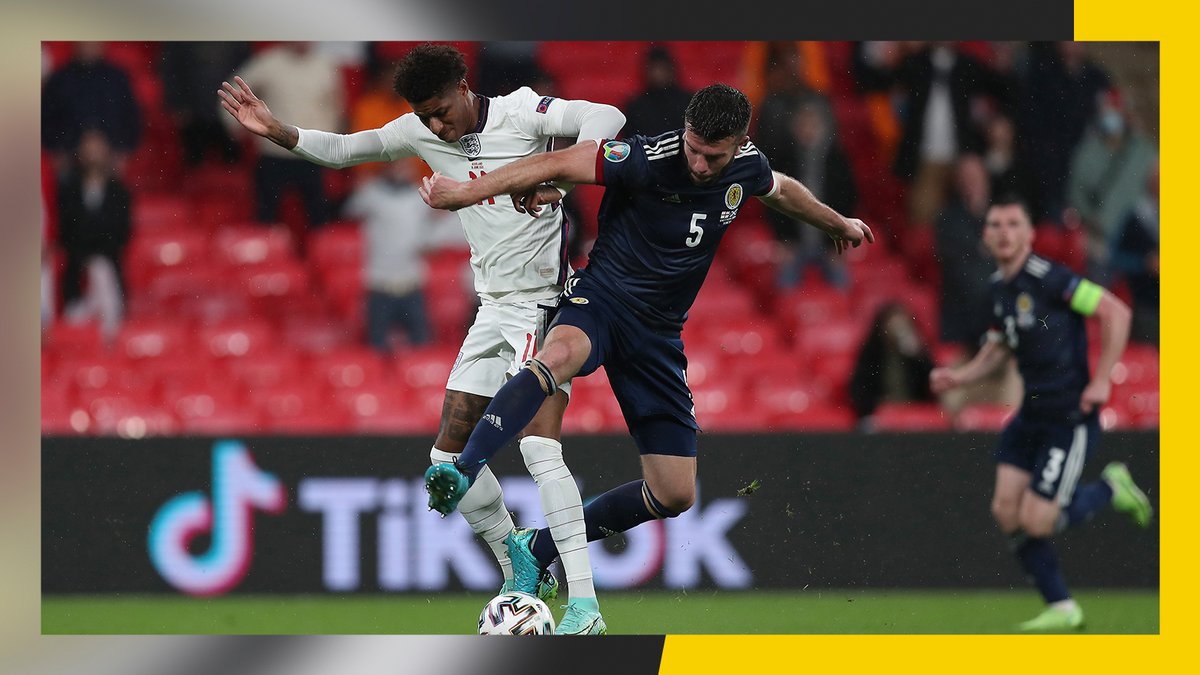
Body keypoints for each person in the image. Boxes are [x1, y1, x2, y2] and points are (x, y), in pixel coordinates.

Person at [419, 83, 872, 635]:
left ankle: (536, 547)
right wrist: (466, 194)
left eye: (715, 155)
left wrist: (836, 223)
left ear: (739, 145)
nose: (702, 164)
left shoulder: (745, 167)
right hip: (602, 301)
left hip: (658, 337)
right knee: (556, 356)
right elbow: (558, 160)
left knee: (674, 492)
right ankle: (461, 469)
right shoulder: (642, 158)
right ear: (684, 131)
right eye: (695, 148)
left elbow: (780, 190)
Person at [219, 43, 625, 634]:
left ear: (464, 86)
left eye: (441, 110)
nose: (436, 126)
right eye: (425, 116)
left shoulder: (522, 113)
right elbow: (341, 151)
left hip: (546, 306)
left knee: (540, 451)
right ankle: (518, 561)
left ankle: (585, 607)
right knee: (445, 461)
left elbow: (606, 118)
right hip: (491, 311)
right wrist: (276, 130)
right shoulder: (418, 130)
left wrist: (556, 172)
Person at [929, 198, 1152, 631]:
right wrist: (962, 377)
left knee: (1037, 519)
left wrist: (1102, 379)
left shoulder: (1051, 278)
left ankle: (1110, 487)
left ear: (1030, 235)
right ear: (986, 237)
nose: (1004, 231)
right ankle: (1063, 608)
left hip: (1068, 415)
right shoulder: (999, 287)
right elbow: (999, 343)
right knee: (1005, 512)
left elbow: (1115, 311)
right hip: (1030, 413)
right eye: (996, 224)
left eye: (1014, 223)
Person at [224, 42, 345, 229]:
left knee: (319, 219)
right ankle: (267, 255)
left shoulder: (326, 65)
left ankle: (319, 257)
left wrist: (330, 140)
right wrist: (235, 125)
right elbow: (233, 90)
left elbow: (335, 107)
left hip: (312, 153)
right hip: (275, 152)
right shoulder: (268, 62)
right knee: (266, 217)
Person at [343, 159, 453, 352]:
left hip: (411, 284)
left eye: (405, 165)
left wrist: (430, 243)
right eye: (396, 165)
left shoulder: (419, 196)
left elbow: (434, 235)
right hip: (379, 284)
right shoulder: (372, 193)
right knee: (376, 350)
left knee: (421, 348)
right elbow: (348, 211)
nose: (401, 170)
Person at [56, 129, 132, 343]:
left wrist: (96, 251)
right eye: (89, 149)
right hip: (77, 274)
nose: (93, 154)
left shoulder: (118, 191)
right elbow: (66, 231)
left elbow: (121, 233)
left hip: (108, 266)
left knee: (111, 333)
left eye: (97, 148)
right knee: (74, 333)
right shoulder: (68, 190)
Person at [848, 302, 935, 426]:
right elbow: (859, 389)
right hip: (881, 412)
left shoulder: (917, 351)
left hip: (913, 412)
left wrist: (919, 356)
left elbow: (932, 384)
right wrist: (877, 406)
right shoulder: (872, 352)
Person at [622, 45, 693, 138]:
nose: (658, 73)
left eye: (661, 68)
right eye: (654, 68)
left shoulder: (689, 102)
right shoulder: (635, 107)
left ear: (671, 69)